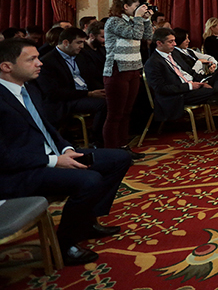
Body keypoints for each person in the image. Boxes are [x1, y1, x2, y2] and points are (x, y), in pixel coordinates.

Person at [0, 38, 131, 265]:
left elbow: (46, 127)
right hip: (18, 172)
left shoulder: (29, 88)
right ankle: (64, 245)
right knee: (89, 180)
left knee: (119, 158)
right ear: (6, 66)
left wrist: (66, 148)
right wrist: (53, 161)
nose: (40, 63)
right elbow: (4, 157)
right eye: (31, 59)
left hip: (50, 155)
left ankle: (86, 220)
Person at [144, 28, 218, 139]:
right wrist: (190, 86)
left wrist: (202, 82)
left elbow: (190, 72)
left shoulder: (174, 54)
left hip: (193, 84)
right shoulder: (153, 63)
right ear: (159, 43)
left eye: (174, 41)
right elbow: (161, 89)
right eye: (170, 42)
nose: (175, 44)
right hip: (180, 94)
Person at [103, 0, 153, 157]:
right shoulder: (113, 21)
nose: (138, 9)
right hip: (117, 70)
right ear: (125, 7)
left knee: (127, 112)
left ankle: (123, 147)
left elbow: (147, 36)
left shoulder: (132, 21)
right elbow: (135, 34)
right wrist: (139, 18)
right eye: (136, 6)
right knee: (115, 114)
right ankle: (112, 152)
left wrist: (146, 19)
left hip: (133, 69)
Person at [37, 27, 107, 145]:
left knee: (113, 98)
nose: (82, 46)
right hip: (65, 100)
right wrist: (88, 94)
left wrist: (103, 89)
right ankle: (96, 140)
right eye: (78, 43)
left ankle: (112, 137)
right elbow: (53, 92)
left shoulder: (81, 55)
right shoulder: (48, 62)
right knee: (104, 104)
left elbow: (91, 77)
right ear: (65, 43)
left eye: (83, 43)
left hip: (84, 94)